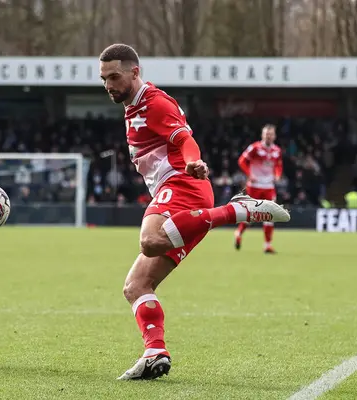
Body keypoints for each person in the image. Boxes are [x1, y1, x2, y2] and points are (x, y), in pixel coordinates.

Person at [98, 44, 291, 381]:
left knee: (150, 240)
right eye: (104, 79)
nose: (109, 85)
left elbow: (184, 138)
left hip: (184, 185)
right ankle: (155, 351)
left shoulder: (155, 102)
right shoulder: (132, 107)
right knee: (136, 286)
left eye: (114, 76)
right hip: (175, 194)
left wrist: (191, 160)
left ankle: (234, 212)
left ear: (135, 72)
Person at [234, 125, 283, 253]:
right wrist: (250, 175)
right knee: (251, 216)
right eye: (267, 134)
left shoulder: (277, 150)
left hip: (269, 186)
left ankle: (267, 245)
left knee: (270, 215)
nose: (269, 136)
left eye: (271, 134)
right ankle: (238, 233)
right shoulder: (255, 148)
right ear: (262, 135)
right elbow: (241, 161)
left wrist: (277, 175)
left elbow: (278, 165)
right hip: (254, 186)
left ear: (274, 136)